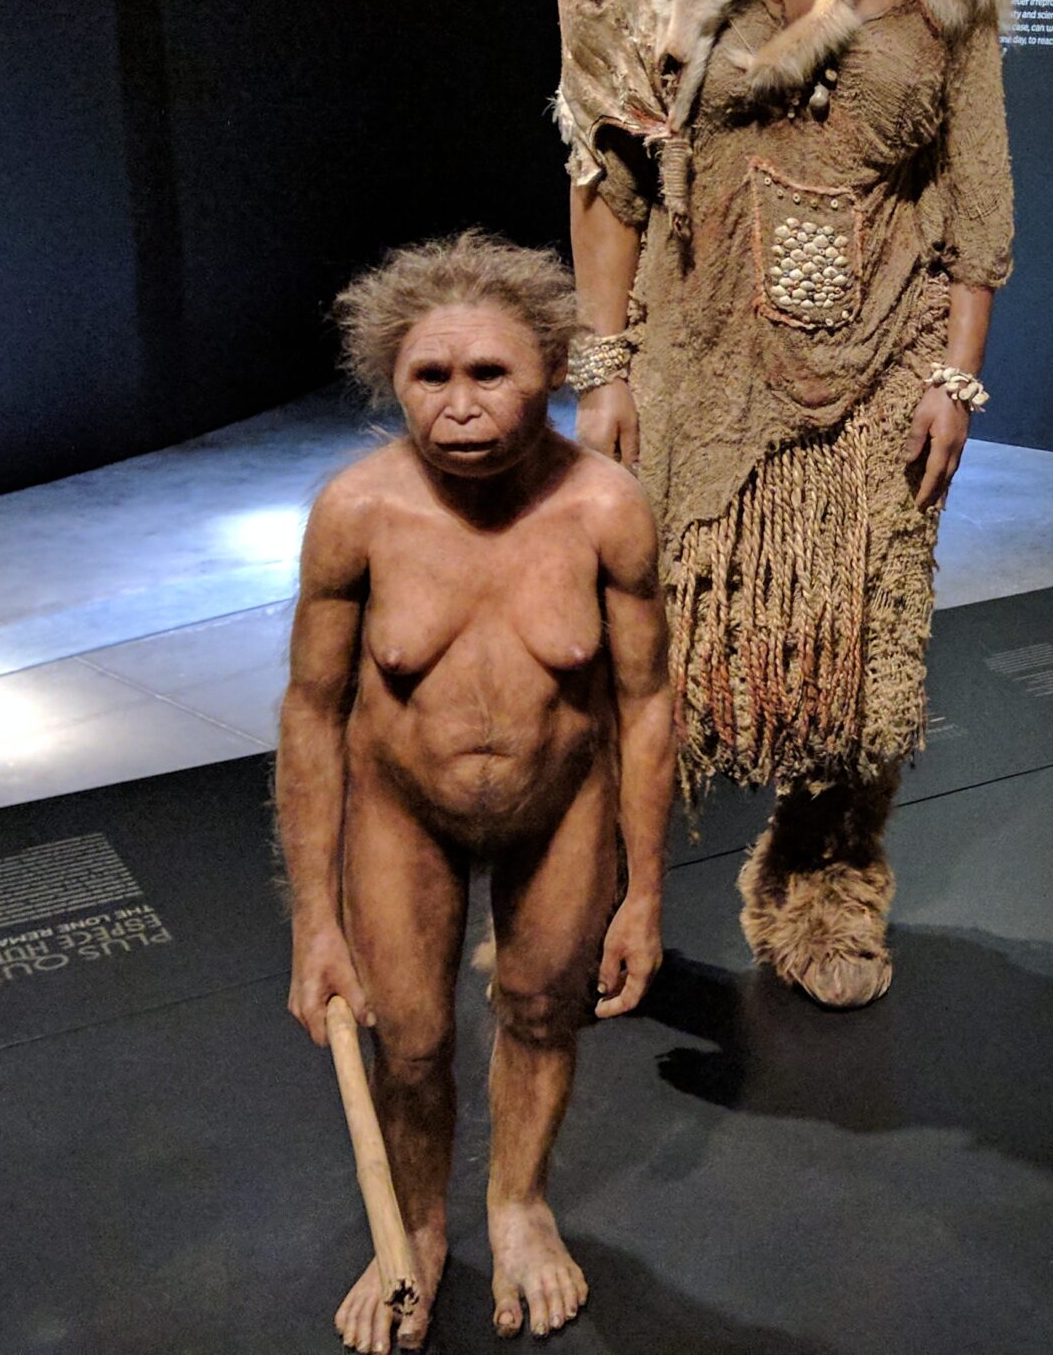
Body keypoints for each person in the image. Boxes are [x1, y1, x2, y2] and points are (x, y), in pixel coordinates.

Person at [541, 0, 1031, 1009]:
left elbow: (975, 166)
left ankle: (822, 886)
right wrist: (606, 363)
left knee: (867, 641)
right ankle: (600, 899)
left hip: (886, 334)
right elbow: (604, 162)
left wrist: (959, 373)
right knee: (660, 638)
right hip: (701, 333)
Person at [276, 231, 675, 1348]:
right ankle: (417, 1225)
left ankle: (518, 1204)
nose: (458, 406)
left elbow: (643, 705)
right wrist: (314, 919)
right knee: (405, 1036)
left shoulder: (605, 508)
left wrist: (644, 890)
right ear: (390, 378)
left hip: (564, 803)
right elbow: (311, 713)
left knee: (545, 1007)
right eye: (430, 377)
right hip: (399, 808)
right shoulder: (356, 511)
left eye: (488, 374)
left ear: (548, 368)